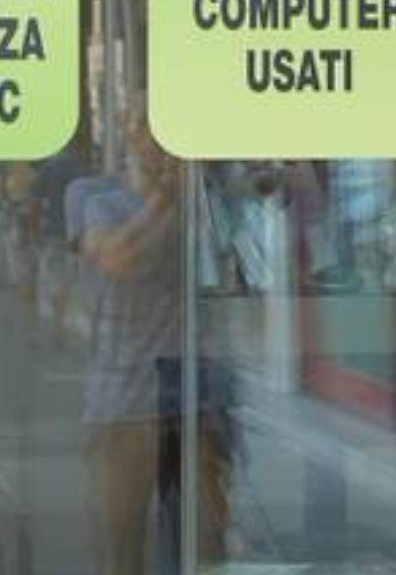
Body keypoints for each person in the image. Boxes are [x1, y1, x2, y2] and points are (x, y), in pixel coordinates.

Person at [74, 109, 230, 575]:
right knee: (121, 553)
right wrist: (167, 193)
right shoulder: (93, 195)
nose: (160, 139)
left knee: (210, 547)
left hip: (193, 400)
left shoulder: (204, 197)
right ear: (131, 132)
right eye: (150, 126)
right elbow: (117, 258)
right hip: (122, 403)